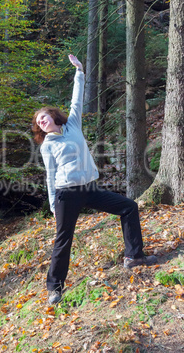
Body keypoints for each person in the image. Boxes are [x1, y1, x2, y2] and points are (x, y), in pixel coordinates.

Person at [32, 54, 157, 305]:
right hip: (66, 194)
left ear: (53, 116)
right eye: (37, 123)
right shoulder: (47, 146)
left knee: (128, 207)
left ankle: (134, 257)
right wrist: (53, 204)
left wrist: (79, 71)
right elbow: (50, 176)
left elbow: (76, 101)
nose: (40, 122)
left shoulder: (73, 126)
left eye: (43, 117)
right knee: (63, 239)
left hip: (90, 188)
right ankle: (54, 288)